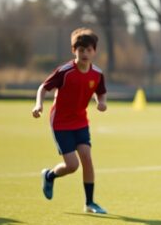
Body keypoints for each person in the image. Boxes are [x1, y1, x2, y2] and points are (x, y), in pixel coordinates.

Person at [32, 27, 108, 214]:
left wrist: (101, 103)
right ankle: (49, 175)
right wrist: (38, 105)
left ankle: (90, 203)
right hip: (61, 123)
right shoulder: (65, 71)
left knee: (87, 159)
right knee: (72, 165)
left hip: (80, 121)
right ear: (74, 50)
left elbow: (101, 91)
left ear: (94, 51)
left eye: (88, 50)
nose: (84, 53)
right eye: (80, 50)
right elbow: (43, 87)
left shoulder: (97, 74)